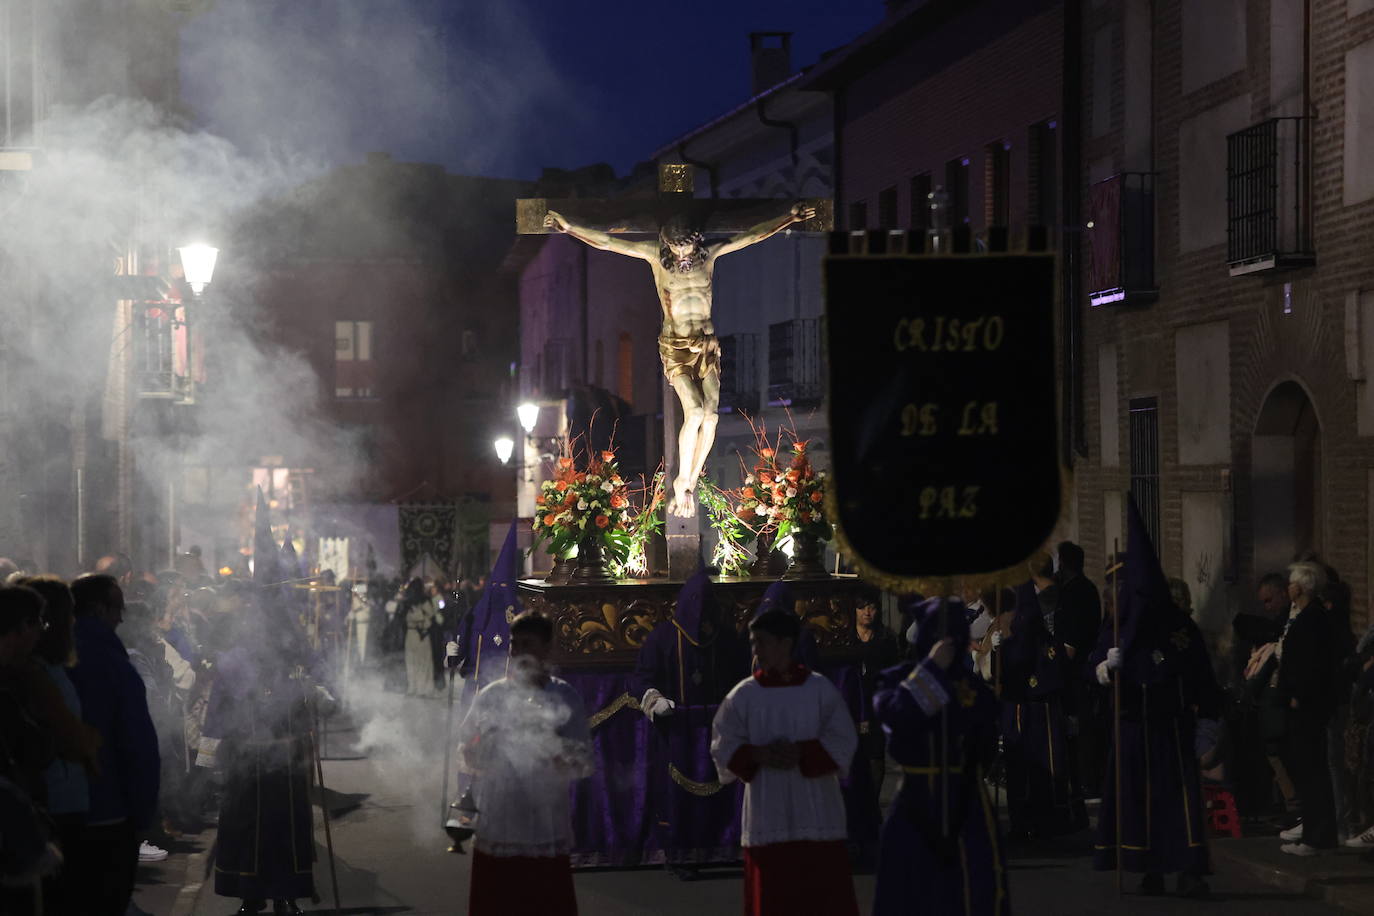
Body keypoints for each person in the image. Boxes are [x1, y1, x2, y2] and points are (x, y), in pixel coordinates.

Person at [546, 201, 815, 516]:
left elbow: (750, 237)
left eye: (686, 249)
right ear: (666, 244)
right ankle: (681, 482)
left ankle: (690, 479)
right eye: (675, 249)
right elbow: (608, 243)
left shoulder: (709, 257)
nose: (682, 256)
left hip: (707, 344)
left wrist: (788, 217)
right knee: (696, 412)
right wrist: (569, 228)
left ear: (696, 242)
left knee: (712, 417)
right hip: (676, 347)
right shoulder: (655, 258)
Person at [1090, 500, 1217, 896]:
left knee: (1176, 803)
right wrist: (1104, 668)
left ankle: (1189, 868)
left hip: (1169, 728)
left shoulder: (1178, 628)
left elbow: (1198, 671)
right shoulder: (1114, 628)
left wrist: (1210, 719)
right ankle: (1148, 866)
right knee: (1138, 803)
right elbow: (1092, 666)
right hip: (1130, 728)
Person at [710, 607, 859, 916]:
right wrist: (757, 755)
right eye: (753, 643)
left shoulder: (818, 689)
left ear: (785, 643)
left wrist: (803, 753)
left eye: (761, 642)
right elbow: (722, 745)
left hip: (816, 809)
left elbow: (844, 740)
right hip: (769, 811)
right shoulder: (743, 696)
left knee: (821, 897)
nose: (755, 650)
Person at [871, 596, 1008, 915]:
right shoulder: (898, 679)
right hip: (917, 801)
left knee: (970, 886)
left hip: (966, 803)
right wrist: (931, 671)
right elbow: (897, 720)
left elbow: (985, 736)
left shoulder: (970, 686)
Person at [458, 611, 593, 916]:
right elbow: (467, 751)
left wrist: (552, 749)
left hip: (543, 816)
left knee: (543, 901)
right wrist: (484, 745)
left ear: (546, 649)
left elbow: (582, 760)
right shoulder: (492, 695)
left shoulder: (564, 695)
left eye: (526, 644)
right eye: (513, 645)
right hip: (500, 811)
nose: (517, 652)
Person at [203, 590, 321, 916]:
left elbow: (306, 705)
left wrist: (312, 701)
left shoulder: (292, 661)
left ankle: (286, 893)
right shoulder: (233, 663)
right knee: (247, 830)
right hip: (245, 761)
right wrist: (206, 760)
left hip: (286, 761)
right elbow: (217, 713)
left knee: (286, 828)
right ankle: (249, 895)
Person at [632, 567, 750, 878]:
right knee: (680, 798)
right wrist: (655, 701)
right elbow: (641, 679)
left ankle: (723, 847)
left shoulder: (726, 639)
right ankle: (682, 855)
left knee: (723, 792)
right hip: (678, 730)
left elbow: (742, 677)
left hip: (721, 728)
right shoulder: (662, 639)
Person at [66, 573, 161, 916]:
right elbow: (136, 743)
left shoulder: (48, 659)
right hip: (108, 809)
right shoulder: (111, 664)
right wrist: (142, 811)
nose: (121, 617)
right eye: (117, 608)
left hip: (60, 813)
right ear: (98, 608)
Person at [16, 576, 101, 914]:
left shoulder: (51, 669)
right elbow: (70, 736)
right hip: (53, 801)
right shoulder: (33, 674)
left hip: (66, 796)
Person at [998, 558, 1083, 841]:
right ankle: (1022, 821)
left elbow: (1057, 670)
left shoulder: (1046, 642)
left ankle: (1049, 819)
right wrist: (995, 656)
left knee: (1047, 765)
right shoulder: (1008, 637)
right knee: (1019, 767)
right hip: (1018, 707)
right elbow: (1001, 673)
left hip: (1043, 711)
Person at [1274, 560, 1340, 855]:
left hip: (1307, 708)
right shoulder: (1307, 617)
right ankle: (1314, 831)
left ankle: (1317, 836)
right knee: (1306, 768)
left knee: (1312, 770)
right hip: (1302, 705)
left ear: (1299, 587)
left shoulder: (1312, 619)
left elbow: (1310, 664)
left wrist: (1297, 695)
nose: (1288, 587)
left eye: (1290, 583)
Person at [854, 591, 899, 809]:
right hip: (853, 702)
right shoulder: (845, 637)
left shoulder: (885, 638)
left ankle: (871, 804)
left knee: (875, 755)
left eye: (871, 607)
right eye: (862, 608)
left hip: (876, 702)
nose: (867, 612)